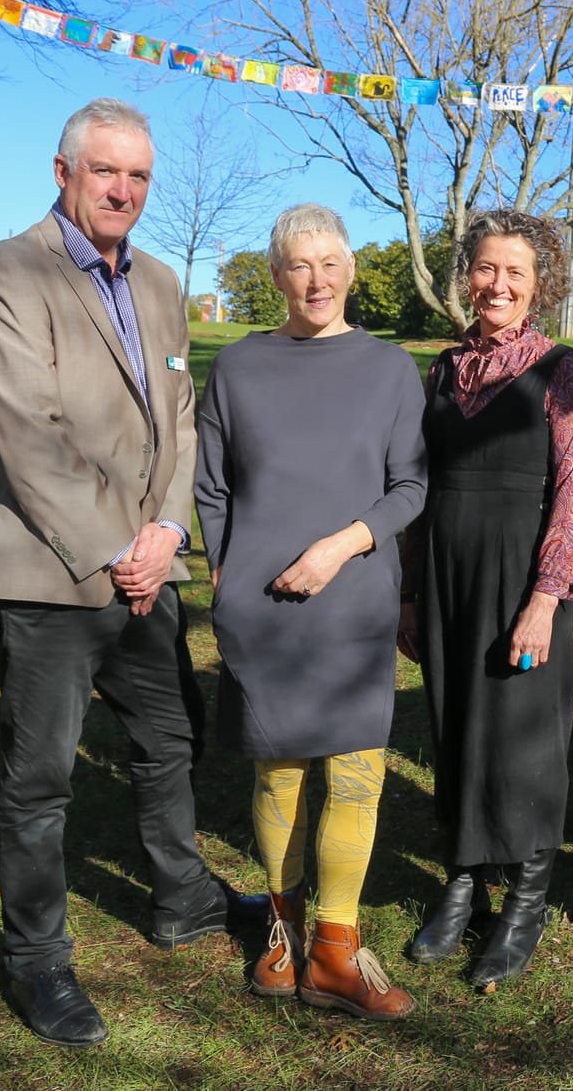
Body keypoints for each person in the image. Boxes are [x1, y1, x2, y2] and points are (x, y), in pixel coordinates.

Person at [0, 98, 263, 1047]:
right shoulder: (1, 275)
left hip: (147, 565)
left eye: (138, 176)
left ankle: (182, 897)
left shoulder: (163, 282)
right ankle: (37, 959)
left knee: (171, 736)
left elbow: (180, 414)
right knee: (41, 775)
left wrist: (168, 530)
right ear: (63, 173)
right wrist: (117, 547)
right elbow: (26, 435)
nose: (123, 189)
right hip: (44, 569)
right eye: (106, 172)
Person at [195, 203, 429, 1020]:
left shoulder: (391, 369)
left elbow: (410, 487)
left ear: (352, 270)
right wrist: (224, 572)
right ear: (275, 275)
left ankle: (336, 948)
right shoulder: (238, 367)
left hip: (355, 600)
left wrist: (339, 546)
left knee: (358, 775)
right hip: (262, 607)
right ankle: (282, 931)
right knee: (281, 770)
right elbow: (212, 485)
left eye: (331, 261)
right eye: (299, 263)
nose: (316, 278)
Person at [401, 209, 573, 990]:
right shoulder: (442, 370)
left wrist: (547, 596)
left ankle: (526, 895)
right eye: (486, 268)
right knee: (453, 725)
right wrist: (411, 591)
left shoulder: (564, 369)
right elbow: (416, 488)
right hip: (448, 571)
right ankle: (461, 877)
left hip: (524, 578)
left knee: (522, 736)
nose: (498, 284)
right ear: (467, 276)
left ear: (538, 283)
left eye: (515, 271)